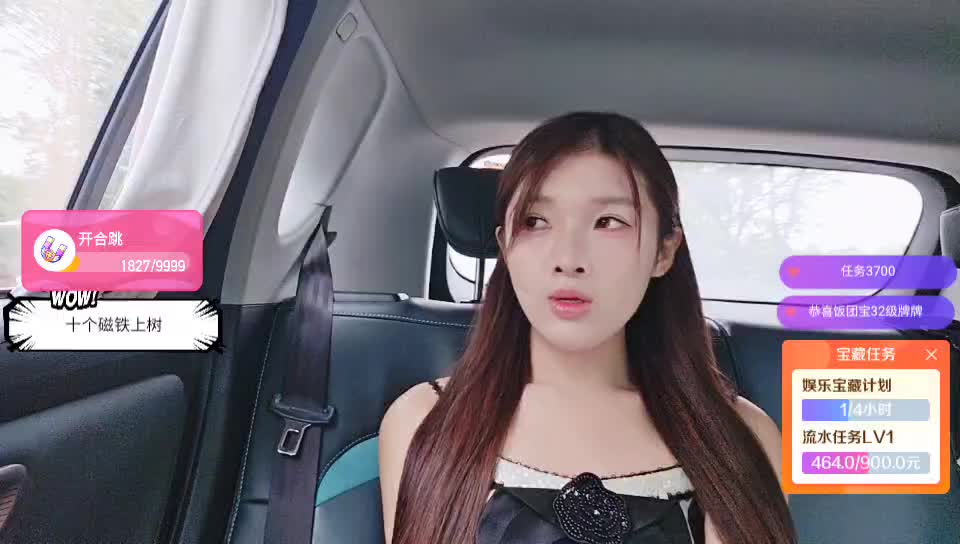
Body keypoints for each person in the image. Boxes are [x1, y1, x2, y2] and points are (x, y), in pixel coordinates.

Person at [379, 111, 796, 543]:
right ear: (505, 246)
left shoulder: (740, 437)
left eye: (608, 221)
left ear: (663, 252)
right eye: (535, 221)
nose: (568, 258)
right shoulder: (425, 421)